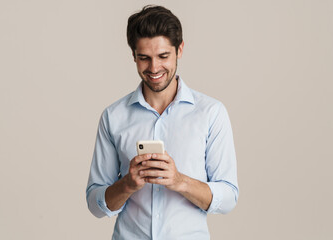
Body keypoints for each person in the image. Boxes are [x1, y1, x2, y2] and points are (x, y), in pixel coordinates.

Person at [86, 5, 239, 240]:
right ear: (133, 55)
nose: (154, 68)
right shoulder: (113, 116)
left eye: (163, 56)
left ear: (180, 50)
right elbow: (95, 204)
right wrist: (127, 184)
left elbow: (228, 197)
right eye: (144, 58)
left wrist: (180, 181)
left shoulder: (211, 113)